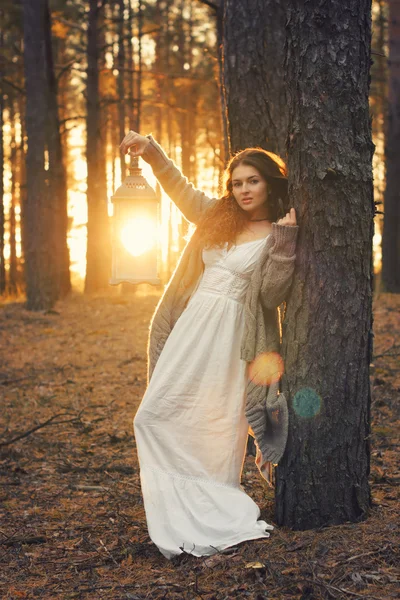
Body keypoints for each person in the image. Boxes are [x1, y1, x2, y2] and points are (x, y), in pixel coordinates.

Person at [119, 130, 299, 559]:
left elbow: (273, 295)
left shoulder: (280, 230)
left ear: (270, 182)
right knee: (153, 415)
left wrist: (287, 243)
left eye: (251, 181)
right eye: (236, 183)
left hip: (234, 337)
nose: (243, 190)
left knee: (218, 424)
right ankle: (177, 512)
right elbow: (181, 190)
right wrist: (152, 152)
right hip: (191, 329)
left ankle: (216, 506)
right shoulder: (218, 215)